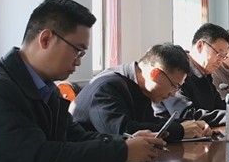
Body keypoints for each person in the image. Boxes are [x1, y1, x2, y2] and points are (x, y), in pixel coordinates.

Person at [0, 0, 164, 162]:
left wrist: (127, 141)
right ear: (45, 39)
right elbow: (38, 156)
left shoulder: (46, 87)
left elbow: (75, 137)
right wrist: (122, 151)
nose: (78, 62)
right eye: (78, 51)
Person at [71, 44, 212, 141]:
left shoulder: (140, 87)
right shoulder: (108, 86)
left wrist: (191, 124)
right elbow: (124, 132)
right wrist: (180, 130)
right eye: (174, 86)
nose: (173, 94)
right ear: (155, 74)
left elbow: (148, 123)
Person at [155, 23, 229, 127]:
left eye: (224, 56)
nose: (221, 61)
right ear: (200, 46)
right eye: (219, 54)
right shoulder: (177, 70)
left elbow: (218, 106)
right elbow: (186, 115)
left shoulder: (205, 74)